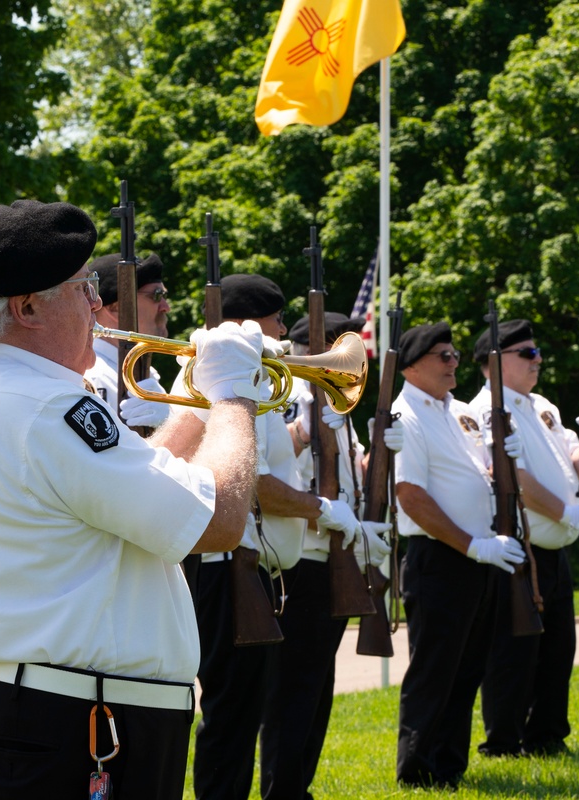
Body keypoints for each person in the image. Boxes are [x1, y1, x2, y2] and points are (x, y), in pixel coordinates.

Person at [0, 199, 265, 800]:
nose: (97, 307)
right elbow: (221, 520)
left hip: (22, 714)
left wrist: (192, 400)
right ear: (25, 308)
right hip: (73, 727)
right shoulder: (49, 409)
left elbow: (134, 489)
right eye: (83, 288)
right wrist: (234, 398)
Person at [179, 276, 366, 800]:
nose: (284, 330)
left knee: (245, 707)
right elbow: (251, 480)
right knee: (230, 710)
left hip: (257, 562)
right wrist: (321, 508)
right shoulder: (229, 378)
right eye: (276, 318)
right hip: (223, 563)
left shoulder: (263, 380)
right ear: (247, 321)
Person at [258, 311, 400, 800]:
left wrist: (382, 452)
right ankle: (283, 789)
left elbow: (346, 473)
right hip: (304, 559)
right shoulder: (289, 394)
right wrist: (303, 430)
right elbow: (282, 472)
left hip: (336, 555)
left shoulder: (334, 400)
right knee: (294, 690)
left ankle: (298, 785)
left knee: (315, 688)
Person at [469, 319, 579, 757]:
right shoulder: (481, 412)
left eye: (536, 352)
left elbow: (571, 453)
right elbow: (509, 477)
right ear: (494, 363)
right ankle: (504, 742)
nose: (539, 360)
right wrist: (567, 511)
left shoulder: (541, 406)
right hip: (518, 547)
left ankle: (548, 736)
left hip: (554, 548)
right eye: (527, 354)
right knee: (513, 652)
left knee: (556, 650)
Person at [392, 321, 526, 790]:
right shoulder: (406, 414)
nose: (454, 363)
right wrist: (472, 544)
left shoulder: (457, 412)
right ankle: (417, 769)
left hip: (477, 557)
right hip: (442, 557)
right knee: (435, 668)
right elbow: (410, 495)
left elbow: (473, 475)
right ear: (411, 366)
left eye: (453, 355)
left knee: (468, 667)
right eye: (443, 356)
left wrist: (498, 457)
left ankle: (449, 765)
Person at [85, 251, 172, 430]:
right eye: (156, 296)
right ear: (116, 308)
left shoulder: (139, 371)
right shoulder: (96, 378)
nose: (166, 307)